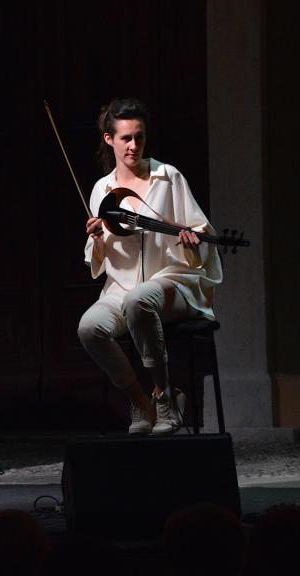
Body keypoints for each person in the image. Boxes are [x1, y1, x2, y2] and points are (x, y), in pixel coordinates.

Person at [78, 98, 222, 435]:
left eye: (139, 137)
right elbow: (97, 258)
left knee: (138, 300)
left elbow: (201, 228)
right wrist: (97, 237)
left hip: (171, 279)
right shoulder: (103, 188)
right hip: (120, 287)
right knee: (89, 328)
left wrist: (193, 239)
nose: (133, 145)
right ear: (108, 139)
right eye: (126, 138)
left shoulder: (167, 176)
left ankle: (165, 395)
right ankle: (140, 400)